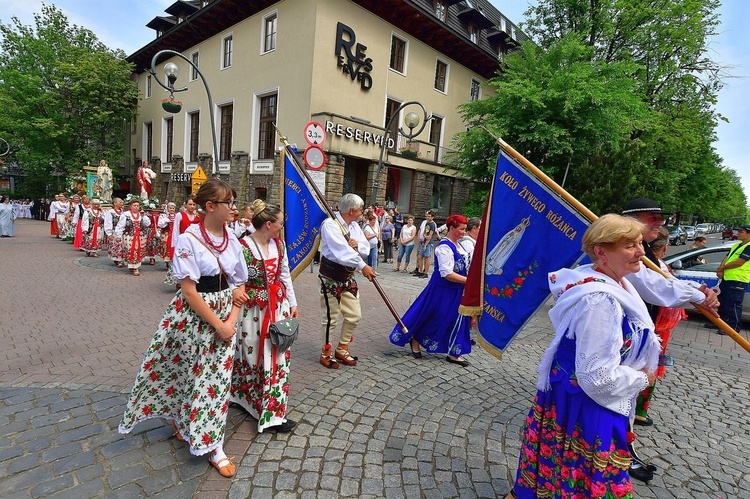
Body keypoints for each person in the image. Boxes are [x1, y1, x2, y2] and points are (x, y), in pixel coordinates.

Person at [505, 214, 660, 499]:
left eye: (640, 243)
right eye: (630, 246)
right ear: (601, 252)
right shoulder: (599, 301)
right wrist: (641, 378)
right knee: (589, 473)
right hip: (587, 401)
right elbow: (595, 376)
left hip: (571, 393)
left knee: (558, 462)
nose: (641, 252)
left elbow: (660, 287)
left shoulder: (615, 282)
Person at [119, 178, 248, 478]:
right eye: (228, 202)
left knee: (215, 383)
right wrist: (218, 323)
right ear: (210, 206)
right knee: (185, 374)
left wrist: (231, 318)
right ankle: (181, 420)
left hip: (224, 316)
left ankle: (213, 445)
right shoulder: (190, 239)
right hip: (194, 318)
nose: (233, 207)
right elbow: (189, 291)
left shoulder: (232, 238)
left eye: (233, 201)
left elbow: (239, 283)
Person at [621, 197, 719, 482]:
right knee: (617, 397)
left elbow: (664, 280)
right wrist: (698, 294)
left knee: (625, 397)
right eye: (652, 217)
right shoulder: (622, 250)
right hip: (621, 335)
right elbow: (655, 286)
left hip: (638, 336)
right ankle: (617, 452)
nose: (659, 222)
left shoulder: (645, 250)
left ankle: (621, 449)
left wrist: (699, 290)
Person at [231, 200, 298, 433]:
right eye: (280, 223)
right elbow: (234, 280)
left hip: (276, 308)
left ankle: (272, 413)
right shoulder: (242, 246)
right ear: (268, 224)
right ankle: (244, 397)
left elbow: (285, 273)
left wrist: (292, 302)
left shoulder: (279, 245)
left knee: (276, 355)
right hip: (251, 312)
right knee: (250, 355)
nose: (282, 226)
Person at [389, 214, 472, 366]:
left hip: (456, 290)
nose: (464, 232)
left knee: (455, 320)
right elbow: (446, 273)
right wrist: (469, 281)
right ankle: (416, 338)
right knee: (435, 316)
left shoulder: (460, 246)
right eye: (461, 229)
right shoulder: (444, 247)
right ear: (451, 229)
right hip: (442, 290)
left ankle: (454, 353)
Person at [318, 193, 376, 369]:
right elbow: (341, 252)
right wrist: (362, 266)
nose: (361, 213)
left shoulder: (354, 226)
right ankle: (326, 352)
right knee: (331, 317)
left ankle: (342, 348)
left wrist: (357, 246)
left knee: (354, 315)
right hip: (330, 277)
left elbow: (365, 246)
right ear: (352, 210)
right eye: (360, 210)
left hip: (348, 277)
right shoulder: (330, 225)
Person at [634, 227, 685, 425]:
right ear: (664, 248)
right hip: (656, 327)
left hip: (649, 325)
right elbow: (672, 295)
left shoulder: (645, 264)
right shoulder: (659, 268)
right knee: (649, 365)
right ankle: (639, 411)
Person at [714, 225, 750, 334]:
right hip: (728, 277)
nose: (738, 233)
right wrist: (721, 269)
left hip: (738, 279)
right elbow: (727, 257)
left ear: (748, 233)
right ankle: (722, 324)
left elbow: (740, 262)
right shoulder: (737, 245)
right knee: (723, 302)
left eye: (741, 231)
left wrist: (723, 268)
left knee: (733, 304)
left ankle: (733, 327)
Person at [114, 197, 152, 276]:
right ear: (130, 206)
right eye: (134, 205)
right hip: (129, 236)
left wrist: (144, 215)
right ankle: (133, 266)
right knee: (131, 250)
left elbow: (148, 224)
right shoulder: (125, 215)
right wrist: (118, 235)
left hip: (140, 236)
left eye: (138, 206)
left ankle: (135, 267)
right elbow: (120, 226)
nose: (136, 207)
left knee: (138, 251)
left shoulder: (141, 215)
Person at [414, 210, 438, 278]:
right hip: (424, 241)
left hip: (428, 243)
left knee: (427, 257)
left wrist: (425, 245)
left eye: (429, 216)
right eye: (427, 216)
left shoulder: (432, 225)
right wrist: (424, 236)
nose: (427, 217)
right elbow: (425, 233)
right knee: (420, 256)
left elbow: (429, 236)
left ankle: (426, 273)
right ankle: (421, 271)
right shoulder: (427, 223)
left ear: (432, 217)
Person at [158, 203, 177, 284]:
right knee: (166, 248)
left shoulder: (177, 216)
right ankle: (167, 262)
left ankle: (171, 261)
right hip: (167, 234)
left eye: (173, 208)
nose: (172, 210)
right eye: (170, 208)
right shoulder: (164, 216)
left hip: (175, 235)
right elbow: (160, 224)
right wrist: (166, 219)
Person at [104, 197, 125, 268]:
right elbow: (108, 222)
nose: (122, 203)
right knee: (116, 245)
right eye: (120, 202)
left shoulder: (123, 212)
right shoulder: (110, 212)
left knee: (123, 245)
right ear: (115, 203)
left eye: (122, 202)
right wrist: (109, 233)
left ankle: (122, 259)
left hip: (123, 231)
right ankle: (117, 260)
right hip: (114, 231)